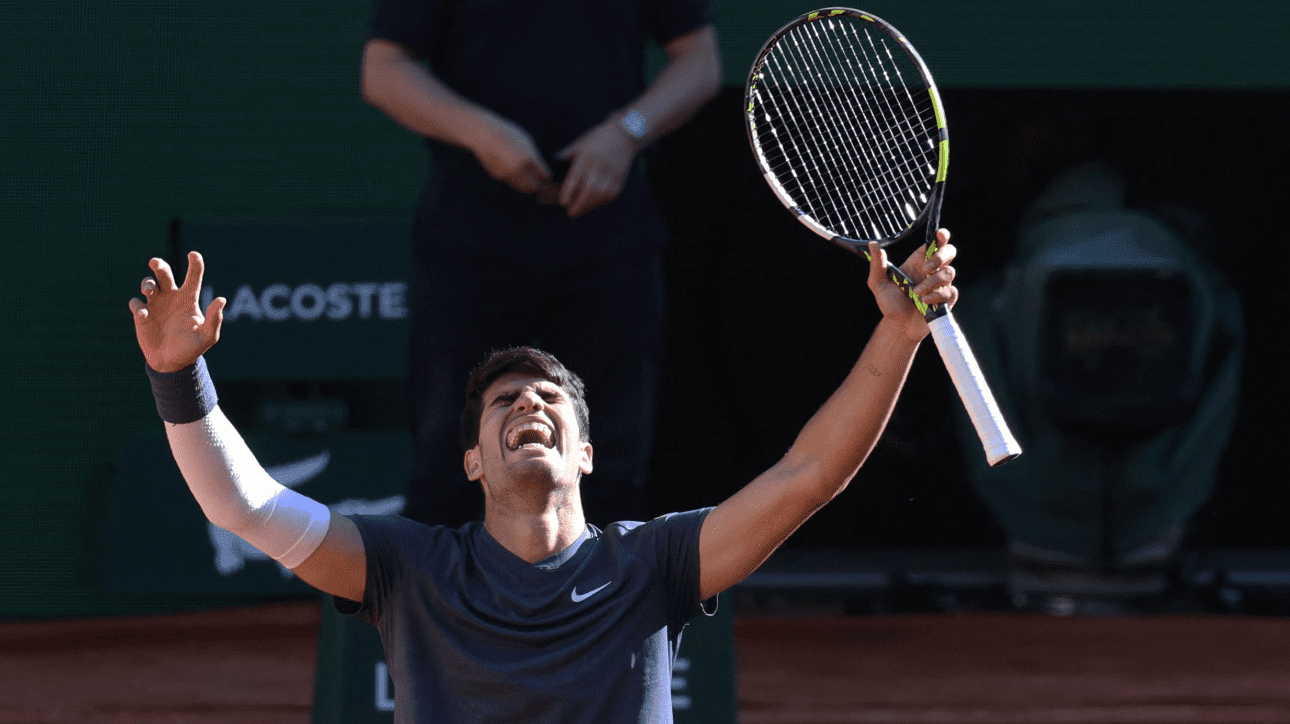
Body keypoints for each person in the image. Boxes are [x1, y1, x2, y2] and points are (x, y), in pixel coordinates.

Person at [127, 232, 958, 722]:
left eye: (549, 396)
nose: (528, 401)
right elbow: (243, 505)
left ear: (586, 453)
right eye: (502, 401)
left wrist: (897, 336)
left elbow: (808, 475)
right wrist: (179, 379)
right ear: (473, 462)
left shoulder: (654, 564)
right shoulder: (406, 571)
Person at [359, 0, 723, 528]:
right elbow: (384, 69)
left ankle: (604, 608)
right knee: (451, 454)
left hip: (607, 240)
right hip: (470, 242)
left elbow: (699, 60)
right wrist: (478, 131)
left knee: (610, 460)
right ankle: (442, 610)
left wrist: (626, 132)